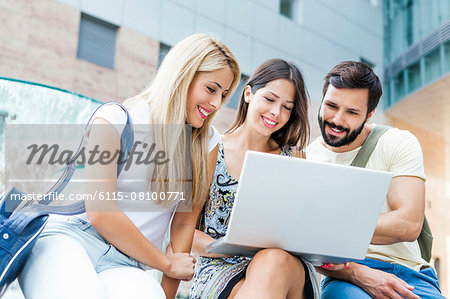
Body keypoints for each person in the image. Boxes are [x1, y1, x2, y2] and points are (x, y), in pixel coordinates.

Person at [19, 33, 240, 299]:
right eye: (211, 89)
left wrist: (167, 292)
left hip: (129, 263)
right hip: (70, 237)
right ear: (183, 76)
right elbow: (101, 212)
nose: (217, 104)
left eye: (224, 94)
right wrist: (166, 263)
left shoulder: (206, 142)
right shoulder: (114, 118)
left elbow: (183, 226)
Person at [306, 61, 444, 298]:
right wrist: (357, 272)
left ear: (369, 114)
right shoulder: (307, 158)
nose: (337, 120)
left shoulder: (397, 142)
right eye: (331, 106)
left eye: (351, 112)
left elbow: (409, 223)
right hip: (347, 275)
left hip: (412, 274)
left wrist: (328, 226)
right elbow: (306, 243)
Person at [189, 58, 320, 299]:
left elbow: (301, 226)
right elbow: (187, 232)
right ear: (248, 93)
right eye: (270, 99)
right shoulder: (213, 150)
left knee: (272, 261)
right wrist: (229, 249)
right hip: (220, 267)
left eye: (287, 107)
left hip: (284, 267)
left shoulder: (294, 157)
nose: (276, 113)